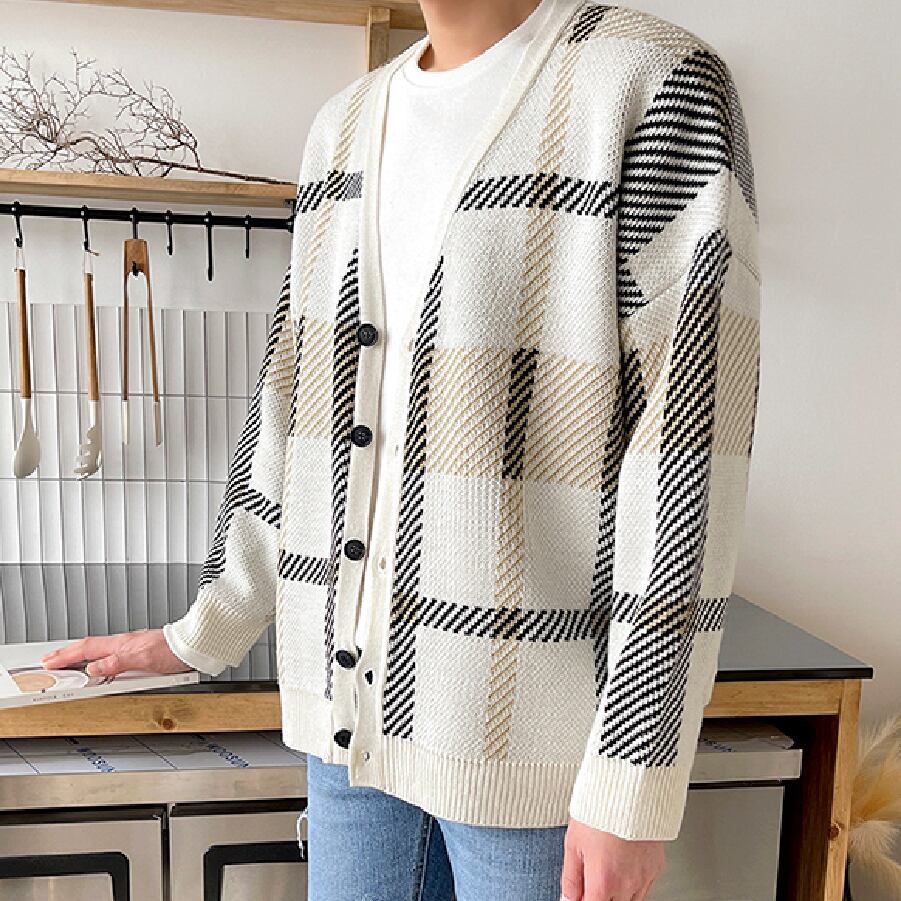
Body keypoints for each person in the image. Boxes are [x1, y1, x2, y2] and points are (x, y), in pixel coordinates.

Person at [44, 1, 762, 899]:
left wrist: (633, 781)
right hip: (347, 734)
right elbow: (292, 405)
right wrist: (206, 631)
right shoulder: (343, 125)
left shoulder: (648, 79)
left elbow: (691, 442)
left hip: (533, 756)